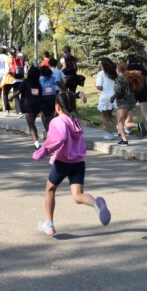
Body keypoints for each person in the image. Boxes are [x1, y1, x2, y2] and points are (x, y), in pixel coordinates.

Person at [33, 91, 111, 236]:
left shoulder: (58, 121)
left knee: (50, 190)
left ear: (57, 107)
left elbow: (59, 138)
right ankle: (96, 204)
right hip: (79, 163)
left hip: (63, 162)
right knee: (77, 196)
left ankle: (49, 224)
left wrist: (42, 152)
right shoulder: (75, 121)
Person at [127, 54, 147, 137]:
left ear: (128, 61)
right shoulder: (140, 67)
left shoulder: (127, 68)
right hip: (144, 90)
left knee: (131, 109)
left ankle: (129, 127)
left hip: (133, 91)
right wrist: (142, 81)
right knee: (145, 111)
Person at [114, 62, 141, 146]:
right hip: (132, 102)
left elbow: (118, 92)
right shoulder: (130, 78)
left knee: (119, 121)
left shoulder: (118, 79)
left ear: (118, 69)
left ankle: (124, 140)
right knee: (127, 123)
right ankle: (138, 125)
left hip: (123, 103)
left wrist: (112, 98)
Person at [19, 66, 45, 149]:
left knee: (31, 125)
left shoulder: (25, 82)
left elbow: (19, 91)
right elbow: (40, 94)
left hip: (27, 105)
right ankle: (36, 142)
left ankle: (37, 144)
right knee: (32, 124)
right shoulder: (38, 84)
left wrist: (11, 97)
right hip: (36, 106)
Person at [96, 57, 118, 139]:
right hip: (114, 96)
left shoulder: (101, 74)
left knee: (105, 116)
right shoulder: (114, 73)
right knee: (109, 114)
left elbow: (99, 87)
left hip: (105, 97)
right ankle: (120, 127)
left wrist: (98, 87)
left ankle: (110, 133)